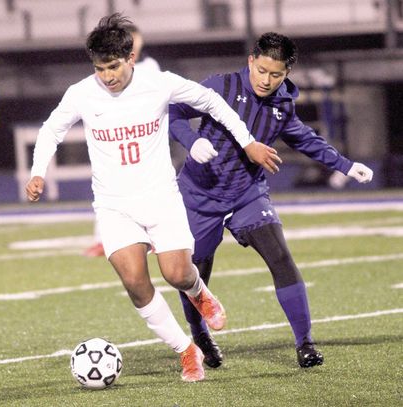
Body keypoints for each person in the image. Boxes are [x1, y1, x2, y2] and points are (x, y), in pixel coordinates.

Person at [26, 14, 281, 382]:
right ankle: (185, 350)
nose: (107, 76)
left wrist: (248, 142)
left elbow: (212, 103)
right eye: (100, 69)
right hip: (114, 205)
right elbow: (52, 130)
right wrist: (38, 171)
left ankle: (198, 291)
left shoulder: (159, 84)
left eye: (113, 66)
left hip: (160, 196)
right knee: (135, 282)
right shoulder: (82, 93)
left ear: (131, 57)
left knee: (176, 274)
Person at [169, 32, 374, 370]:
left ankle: (305, 342)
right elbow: (175, 112)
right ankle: (201, 336)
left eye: (275, 74)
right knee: (194, 273)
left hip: (247, 193)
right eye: (261, 70)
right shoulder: (220, 86)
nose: (266, 80)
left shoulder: (282, 104)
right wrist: (191, 143)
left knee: (280, 256)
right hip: (200, 192)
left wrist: (346, 165)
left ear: (287, 73)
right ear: (251, 61)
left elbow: (306, 139)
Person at [83, 23, 161, 257]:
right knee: (108, 187)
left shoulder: (150, 66)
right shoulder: (110, 67)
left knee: (150, 186)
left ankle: (155, 235)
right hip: (118, 135)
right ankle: (103, 239)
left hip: (143, 136)